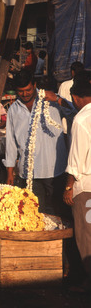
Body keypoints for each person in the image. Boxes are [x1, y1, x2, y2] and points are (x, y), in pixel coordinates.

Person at [4, 69, 75, 214]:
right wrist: (10, 172)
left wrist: (58, 99)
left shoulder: (52, 101)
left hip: (55, 170)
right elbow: (11, 142)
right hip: (30, 174)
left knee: (59, 213)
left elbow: (76, 114)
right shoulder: (13, 110)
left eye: (28, 89)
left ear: (34, 85)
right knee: (35, 214)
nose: (25, 94)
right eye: (21, 91)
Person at [63, 71, 91, 293]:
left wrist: (68, 187)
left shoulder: (80, 120)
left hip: (86, 188)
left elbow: (75, 160)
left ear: (75, 97)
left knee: (86, 237)